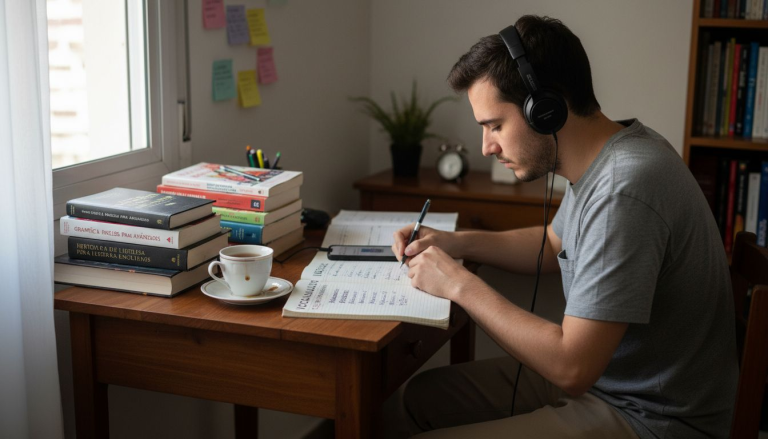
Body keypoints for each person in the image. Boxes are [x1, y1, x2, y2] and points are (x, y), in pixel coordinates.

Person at [392, 15, 738, 439]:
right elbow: (554, 241)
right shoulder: (612, 154)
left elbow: (571, 367)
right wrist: (456, 243)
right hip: (610, 383)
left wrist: (458, 285)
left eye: (495, 126)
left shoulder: (622, 189)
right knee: (422, 397)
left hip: (651, 417)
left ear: (546, 109)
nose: (487, 147)